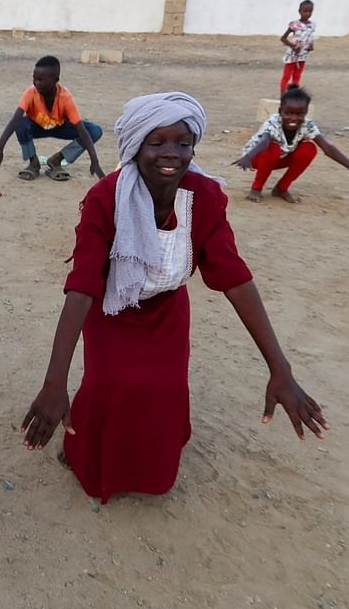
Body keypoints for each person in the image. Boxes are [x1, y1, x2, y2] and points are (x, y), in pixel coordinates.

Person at [19, 92, 328, 504]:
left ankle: (151, 469)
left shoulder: (205, 198)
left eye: (183, 143)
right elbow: (83, 286)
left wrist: (280, 369)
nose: (171, 153)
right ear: (135, 147)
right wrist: (54, 382)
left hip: (167, 311)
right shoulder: (105, 198)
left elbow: (235, 279)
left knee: (165, 388)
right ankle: (84, 453)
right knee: (109, 383)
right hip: (111, 308)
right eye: (156, 142)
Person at [232, 85, 349, 203]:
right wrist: (248, 157)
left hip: (279, 158)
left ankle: (281, 188)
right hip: (255, 158)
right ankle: (256, 188)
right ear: (280, 111)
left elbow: (328, 148)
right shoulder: (273, 121)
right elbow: (264, 141)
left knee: (309, 148)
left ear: (306, 113)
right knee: (273, 147)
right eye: (288, 113)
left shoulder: (308, 125)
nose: (293, 118)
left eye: (299, 114)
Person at [0, 55, 105, 182]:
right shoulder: (31, 93)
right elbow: (14, 120)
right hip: (37, 127)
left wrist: (94, 160)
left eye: (41, 80)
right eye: (34, 78)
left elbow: (81, 129)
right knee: (20, 123)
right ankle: (33, 162)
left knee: (94, 131)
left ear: (55, 80)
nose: (36, 83)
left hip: (60, 127)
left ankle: (57, 160)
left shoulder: (65, 97)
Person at [279, 0, 315, 93]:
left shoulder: (312, 25)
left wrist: (311, 46)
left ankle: (294, 95)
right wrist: (293, 46)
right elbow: (283, 38)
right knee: (287, 75)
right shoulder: (295, 24)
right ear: (299, 11)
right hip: (292, 55)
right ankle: (283, 95)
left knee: (297, 75)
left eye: (310, 11)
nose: (307, 14)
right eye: (305, 11)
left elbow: (310, 37)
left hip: (303, 55)